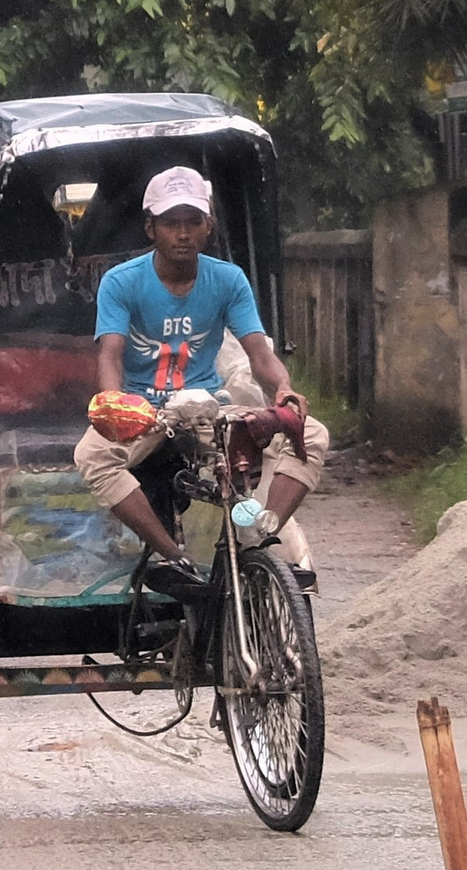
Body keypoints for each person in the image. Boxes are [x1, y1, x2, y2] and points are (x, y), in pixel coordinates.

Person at [72, 167, 329, 588]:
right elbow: (111, 353)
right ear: (150, 227)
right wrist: (115, 401)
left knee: (311, 434)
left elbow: (259, 353)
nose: (183, 233)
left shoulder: (227, 279)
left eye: (194, 221)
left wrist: (282, 389)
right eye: (171, 223)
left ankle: (263, 538)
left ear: (208, 226)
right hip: (146, 412)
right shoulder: (121, 282)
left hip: (209, 409)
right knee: (92, 456)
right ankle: (174, 558)